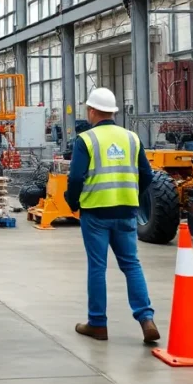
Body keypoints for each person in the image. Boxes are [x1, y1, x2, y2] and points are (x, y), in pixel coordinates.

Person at [64, 87, 160, 344]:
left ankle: (98, 324)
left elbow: (75, 177)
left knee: (98, 267)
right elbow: (147, 175)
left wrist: (72, 201)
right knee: (131, 264)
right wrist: (132, 196)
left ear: (93, 111)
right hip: (126, 211)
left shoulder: (86, 140)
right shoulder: (132, 138)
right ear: (113, 112)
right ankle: (146, 318)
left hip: (95, 212)